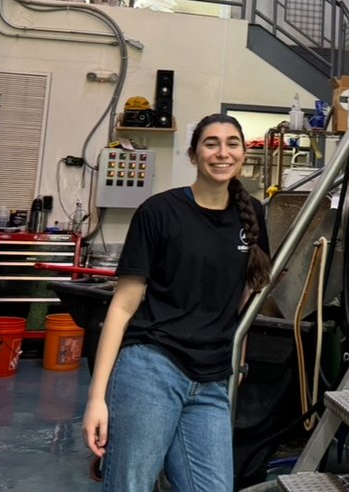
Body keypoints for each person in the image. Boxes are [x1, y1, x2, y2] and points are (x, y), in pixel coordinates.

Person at [82, 113, 271, 491]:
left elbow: (244, 293)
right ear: (193, 154)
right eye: (211, 143)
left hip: (212, 379)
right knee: (130, 485)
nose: (222, 153)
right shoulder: (160, 212)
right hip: (152, 368)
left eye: (232, 143)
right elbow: (121, 307)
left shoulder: (253, 214)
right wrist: (96, 398)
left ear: (243, 153)